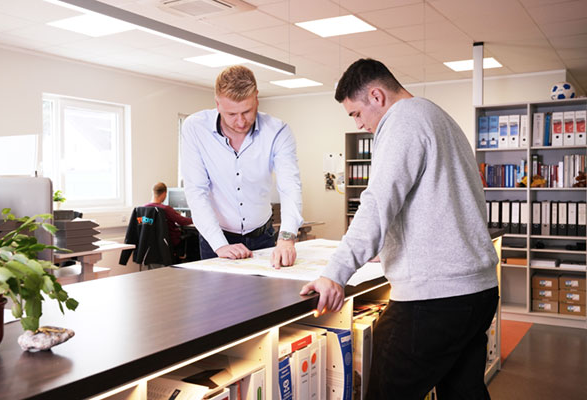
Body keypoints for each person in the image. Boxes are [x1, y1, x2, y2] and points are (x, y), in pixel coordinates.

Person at [300, 59, 499, 399]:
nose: (360, 124)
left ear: (376, 96)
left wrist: (335, 273)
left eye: (356, 114)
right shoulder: (437, 117)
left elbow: (378, 202)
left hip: (435, 299)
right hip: (477, 292)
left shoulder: (401, 121)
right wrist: (390, 246)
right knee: (463, 393)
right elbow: (439, 201)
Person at [180, 65, 303, 268]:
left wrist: (287, 238)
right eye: (231, 114)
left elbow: (290, 187)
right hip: (216, 239)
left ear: (256, 97)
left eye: (247, 111)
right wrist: (220, 245)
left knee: (266, 299)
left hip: (262, 238)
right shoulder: (195, 128)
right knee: (217, 300)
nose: (240, 122)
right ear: (217, 104)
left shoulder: (278, 131)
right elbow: (196, 191)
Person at [143, 182, 193, 249]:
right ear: (164, 193)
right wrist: (195, 219)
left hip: (150, 245)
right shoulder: (165, 209)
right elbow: (182, 221)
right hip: (168, 243)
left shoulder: (143, 208)